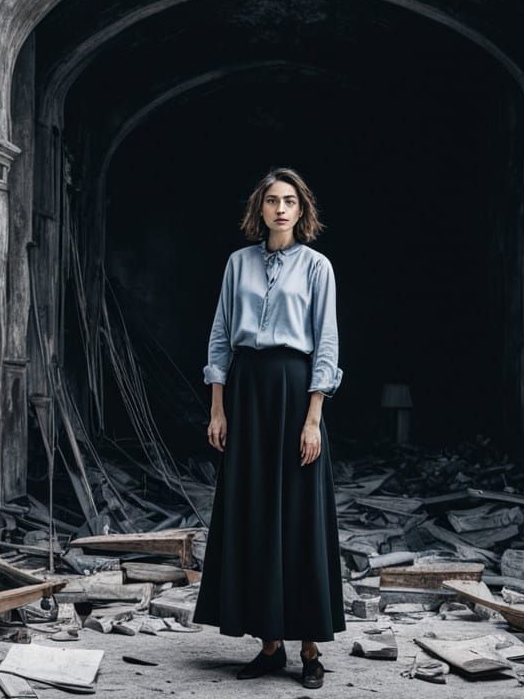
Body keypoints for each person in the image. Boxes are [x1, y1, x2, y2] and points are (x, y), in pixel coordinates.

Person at [192, 167, 346, 688]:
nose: (281, 209)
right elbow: (220, 336)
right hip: (247, 391)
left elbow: (326, 343)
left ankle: (309, 651)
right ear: (259, 209)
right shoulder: (238, 264)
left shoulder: (317, 266)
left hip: (295, 389)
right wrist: (218, 406)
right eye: (272, 201)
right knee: (255, 512)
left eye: (290, 201)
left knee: (300, 515)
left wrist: (313, 419)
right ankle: (269, 644)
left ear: (302, 211)